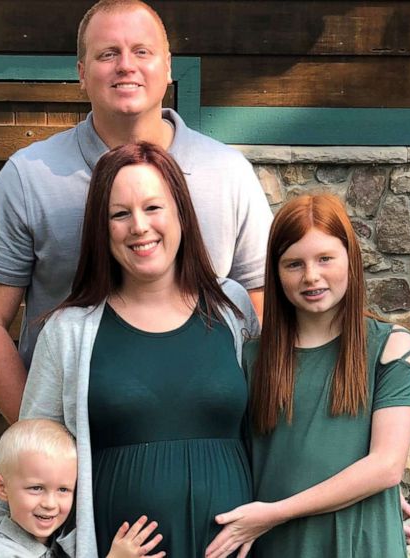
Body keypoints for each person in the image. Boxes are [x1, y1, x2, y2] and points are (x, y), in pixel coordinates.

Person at [0, 0, 271, 423]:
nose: (126, 66)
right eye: (108, 54)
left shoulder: (227, 173)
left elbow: (262, 312)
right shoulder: (30, 177)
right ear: (82, 72)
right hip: (75, 445)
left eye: (142, 52)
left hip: (204, 438)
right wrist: (41, 442)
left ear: (168, 66)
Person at [16, 142, 260, 557]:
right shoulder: (69, 331)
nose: (139, 226)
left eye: (153, 207)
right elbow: (29, 461)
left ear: (181, 212)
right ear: (102, 228)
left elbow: (286, 419)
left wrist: (359, 493)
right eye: (120, 213)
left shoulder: (233, 309)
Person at [205, 194, 410, 558]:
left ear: (350, 260)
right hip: (279, 544)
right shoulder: (252, 358)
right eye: (293, 264)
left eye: (325, 258)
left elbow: (386, 466)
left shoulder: (391, 346)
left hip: (358, 541)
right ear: (275, 273)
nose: (311, 276)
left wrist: (275, 513)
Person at [0, 419, 164, 558]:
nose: (50, 503)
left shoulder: (57, 544)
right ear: (2, 488)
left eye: (63, 490)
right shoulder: (0, 552)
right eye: (36, 488)